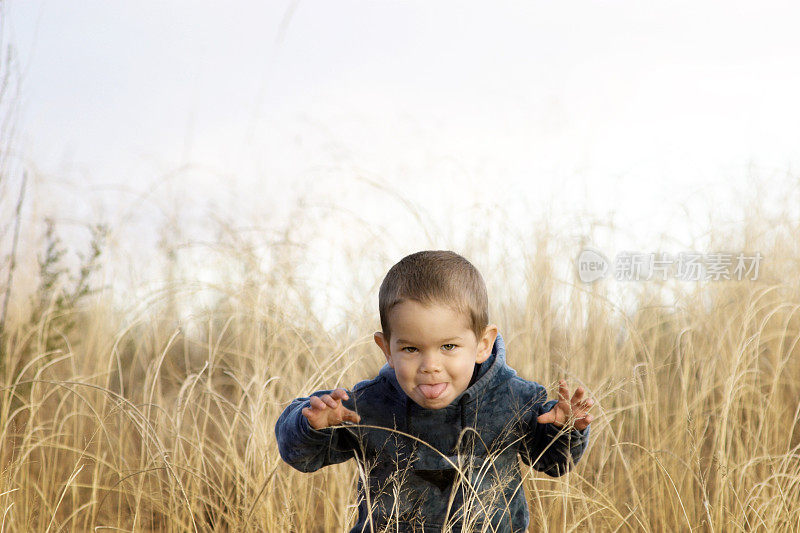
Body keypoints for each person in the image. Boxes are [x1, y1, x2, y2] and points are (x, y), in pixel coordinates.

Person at [275, 250, 594, 532]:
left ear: (482, 344)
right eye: (412, 349)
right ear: (386, 348)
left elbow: (555, 464)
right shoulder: (368, 405)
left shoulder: (513, 400)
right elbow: (300, 456)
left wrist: (565, 431)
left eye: (449, 346)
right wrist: (310, 424)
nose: (430, 365)